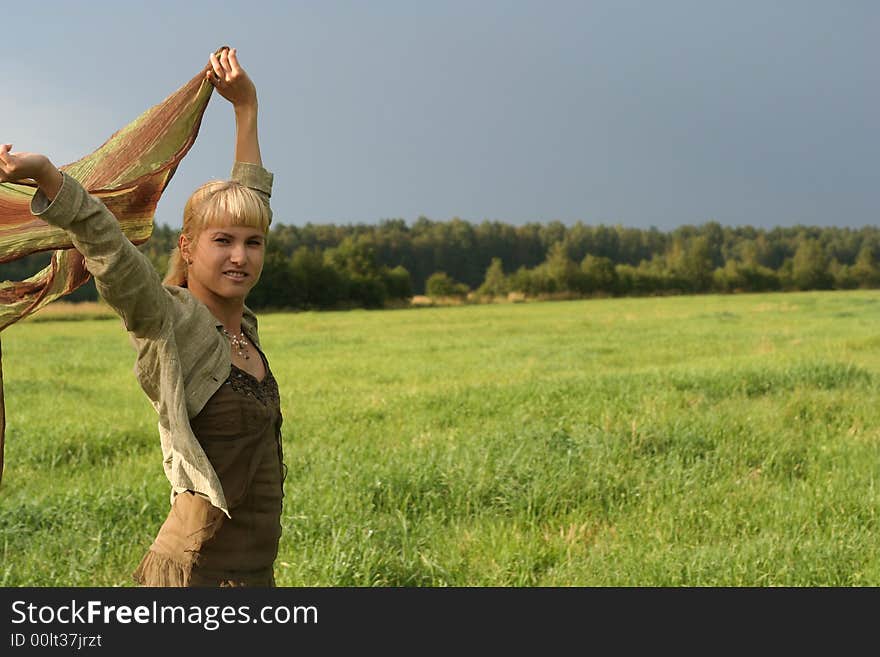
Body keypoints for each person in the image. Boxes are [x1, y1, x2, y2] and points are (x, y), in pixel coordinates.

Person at [0, 47, 285, 587]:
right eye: (222, 241)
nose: (239, 257)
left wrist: (245, 108)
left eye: (253, 244)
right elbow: (109, 248)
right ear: (188, 247)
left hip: (256, 577)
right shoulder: (169, 321)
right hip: (195, 580)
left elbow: (251, 200)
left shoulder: (243, 328)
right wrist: (48, 179)